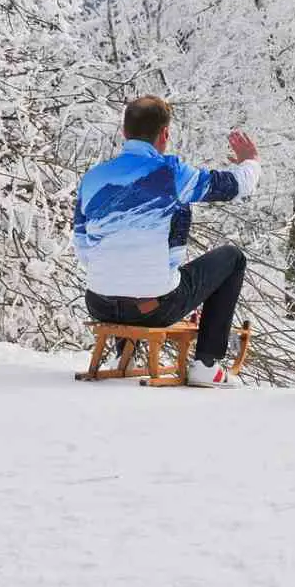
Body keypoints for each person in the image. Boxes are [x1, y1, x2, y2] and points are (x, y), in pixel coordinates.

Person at [73, 96, 261, 385]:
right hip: (156, 308)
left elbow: (83, 247)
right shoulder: (172, 175)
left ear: (124, 132)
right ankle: (207, 364)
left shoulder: (93, 179)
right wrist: (251, 162)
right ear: (165, 134)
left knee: (120, 251)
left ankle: (123, 353)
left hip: (99, 303)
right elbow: (232, 186)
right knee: (232, 257)